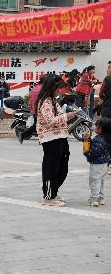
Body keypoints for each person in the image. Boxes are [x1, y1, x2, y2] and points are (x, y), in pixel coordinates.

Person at [35, 74, 79, 207]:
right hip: (51, 140)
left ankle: (53, 193)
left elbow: (57, 117)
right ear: (51, 88)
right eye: (58, 88)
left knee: (61, 168)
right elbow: (49, 121)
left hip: (60, 137)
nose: (59, 91)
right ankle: (49, 197)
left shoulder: (53, 100)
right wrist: (66, 116)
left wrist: (67, 117)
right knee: (51, 168)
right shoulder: (46, 102)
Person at [83, 116, 111, 206]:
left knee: (94, 181)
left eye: (97, 127)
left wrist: (86, 152)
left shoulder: (99, 140)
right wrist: (87, 140)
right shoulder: (106, 139)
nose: (95, 128)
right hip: (104, 165)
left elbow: (94, 152)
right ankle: (100, 198)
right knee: (100, 181)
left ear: (102, 129)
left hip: (97, 164)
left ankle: (94, 199)